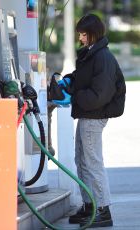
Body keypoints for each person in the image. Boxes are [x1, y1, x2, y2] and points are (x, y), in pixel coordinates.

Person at [64, 14, 126, 228]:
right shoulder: (92, 54)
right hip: (87, 115)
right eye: (80, 34)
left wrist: (74, 95)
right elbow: (84, 78)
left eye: (83, 34)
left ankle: (103, 209)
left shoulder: (103, 57)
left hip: (94, 115)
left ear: (93, 34)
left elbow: (99, 94)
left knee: (92, 162)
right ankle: (90, 205)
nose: (80, 38)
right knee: (82, 160)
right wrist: (68, 81)